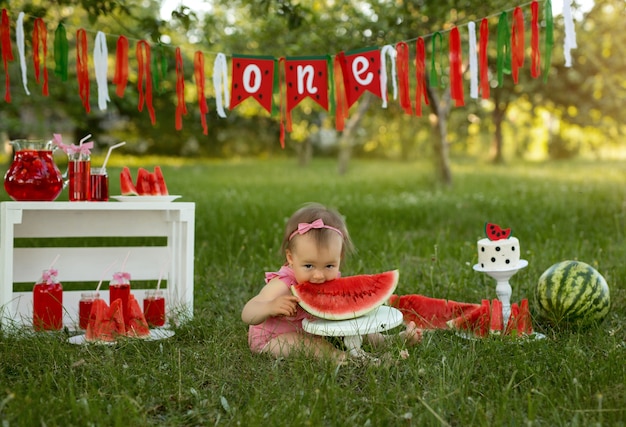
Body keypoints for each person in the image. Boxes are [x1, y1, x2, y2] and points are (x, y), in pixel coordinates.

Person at [241, 203, 421, 362]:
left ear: (339, 258)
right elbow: (248, 312)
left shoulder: (331, 281)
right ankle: (344, 358)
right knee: (307, 344)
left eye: (329, 265)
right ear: (291, 258)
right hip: (273, 339)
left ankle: (389, 340)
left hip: (316, 330)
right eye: (309, 265)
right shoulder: (282, 284)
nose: (319, 276)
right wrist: (270, 306)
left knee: (356, 324)